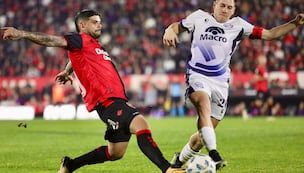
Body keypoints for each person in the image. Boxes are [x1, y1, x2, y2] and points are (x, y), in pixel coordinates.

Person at [2, 9, 184, 173]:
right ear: (83, 25)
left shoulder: (92, 45)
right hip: (108, 101)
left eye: (100, 21)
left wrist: (67, 71)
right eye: (95, 22)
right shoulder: (78, 40)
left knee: (116, 153)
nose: (100, 25)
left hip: (112, 101)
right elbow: (52, 40)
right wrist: (21, 34)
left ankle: (70, 165)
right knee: (141, 124)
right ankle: (167, 169)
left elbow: (76, 59)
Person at [163, 0, 304, 170]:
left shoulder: (239, 25)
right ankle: (214, 154)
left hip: (221, 83)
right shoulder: (199, 17)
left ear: (233, 10)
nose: (225, 9)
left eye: (229, 7)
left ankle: (178, 161)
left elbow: (270, 35)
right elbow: (176, 26)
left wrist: (294, 23)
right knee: (203, 105)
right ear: (214, 5)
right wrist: (169, 30)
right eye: (222, 5)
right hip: (197, 75)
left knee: (202, 136)